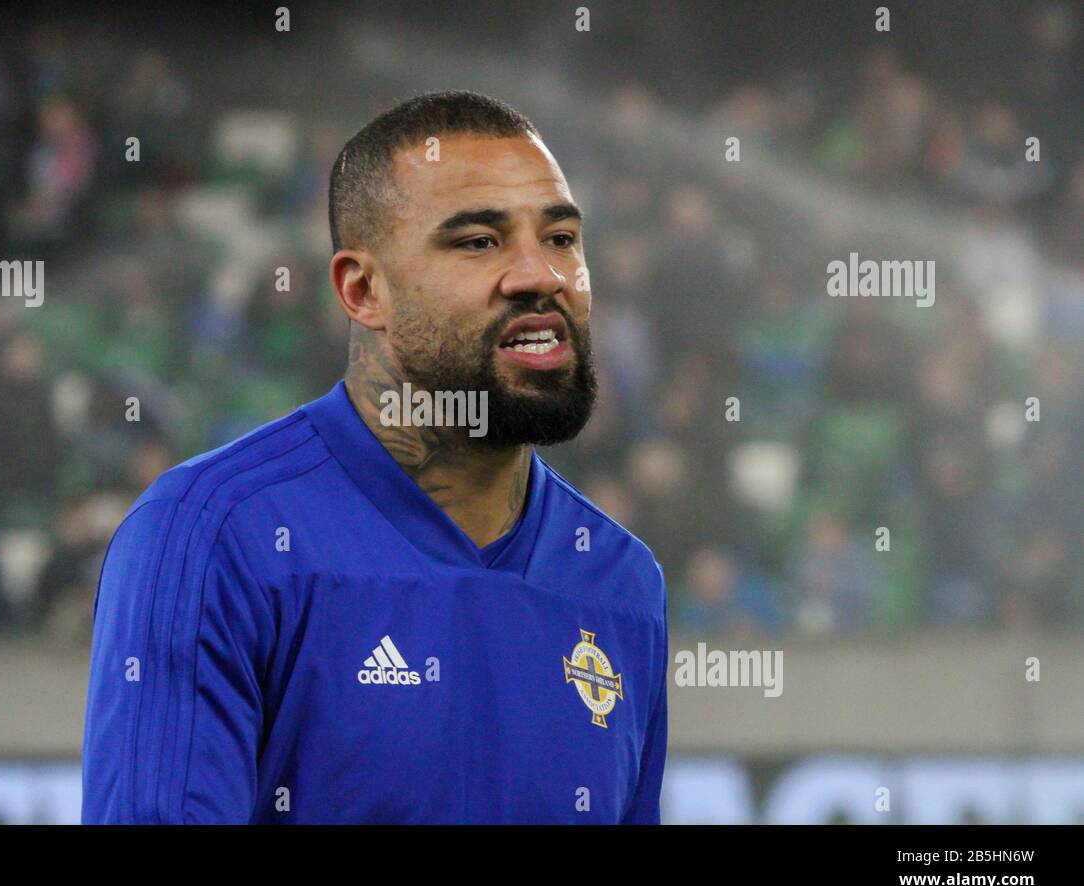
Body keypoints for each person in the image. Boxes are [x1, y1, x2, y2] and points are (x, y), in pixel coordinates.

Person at [81, 91, 669, 824]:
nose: (540, 275)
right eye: (478, 241)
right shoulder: (209, 536)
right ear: (364, 290)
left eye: (560, 238)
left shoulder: (620, 581)